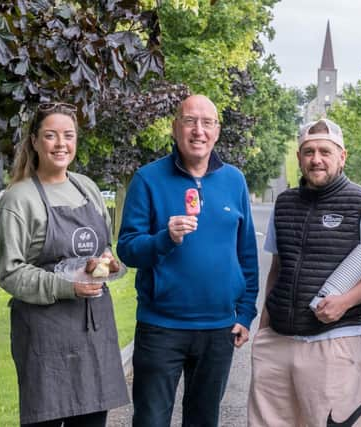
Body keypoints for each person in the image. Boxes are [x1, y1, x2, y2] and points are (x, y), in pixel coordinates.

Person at [117, 94, 259, 427]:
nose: (199, 131)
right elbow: (127, 249)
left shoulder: (234, 180)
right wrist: (165, 238)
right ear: (174, 128)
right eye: (189, 121)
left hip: (218, 329)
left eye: (207, 122)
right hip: (161, 326)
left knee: (204, 420)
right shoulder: (148, 179)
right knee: (151, 420)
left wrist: (246, 311)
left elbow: (246, 254)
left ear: (217, 131)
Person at [248, 118, 361, 426]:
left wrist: (345, 301)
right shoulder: (284, 203)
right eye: (308, 151)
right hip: (277, 342)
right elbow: (278, 267)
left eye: (325, 151)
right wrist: (263, 328)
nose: (316, 159)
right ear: (299, 157)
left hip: (333, 342)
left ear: (342, 156)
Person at [0, 102, 129, 426]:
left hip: (94, 333)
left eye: (68, 135)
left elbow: (103, 246)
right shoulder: (18, 199)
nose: (60, 144)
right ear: (35, 142)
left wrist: (106, 260)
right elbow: (9, 272)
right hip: (45, 340)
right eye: (51, 135)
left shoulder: (88, 188)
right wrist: (66, 287)